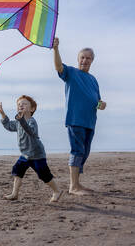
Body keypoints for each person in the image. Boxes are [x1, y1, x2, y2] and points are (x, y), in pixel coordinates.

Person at [52, 37, 107, 195]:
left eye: (88, 58)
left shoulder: (93, 80)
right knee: (77, 151)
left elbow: (96, 101)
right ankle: (73, 186)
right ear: (78, 59)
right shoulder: (71, 72)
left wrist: (101, 104)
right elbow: (58, 67)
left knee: (85, 152)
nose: (85, 60)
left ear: (92, 61)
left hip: (90, 121)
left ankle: (77, 184)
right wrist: (56, 49)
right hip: (75, 119)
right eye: (82, 57)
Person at [0, 95, 62, 202]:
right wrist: (3, 114)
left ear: (32, 109)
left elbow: (30, 131)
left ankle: (57, 191)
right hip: (25, 155)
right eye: (19, 104)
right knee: (18, 171)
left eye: (24, 103)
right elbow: (9, 126)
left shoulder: (32, 121)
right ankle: (15, 194)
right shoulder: (18, 122)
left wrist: (22, 120)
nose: (21, 105)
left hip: (37, 154)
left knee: (43, 174)